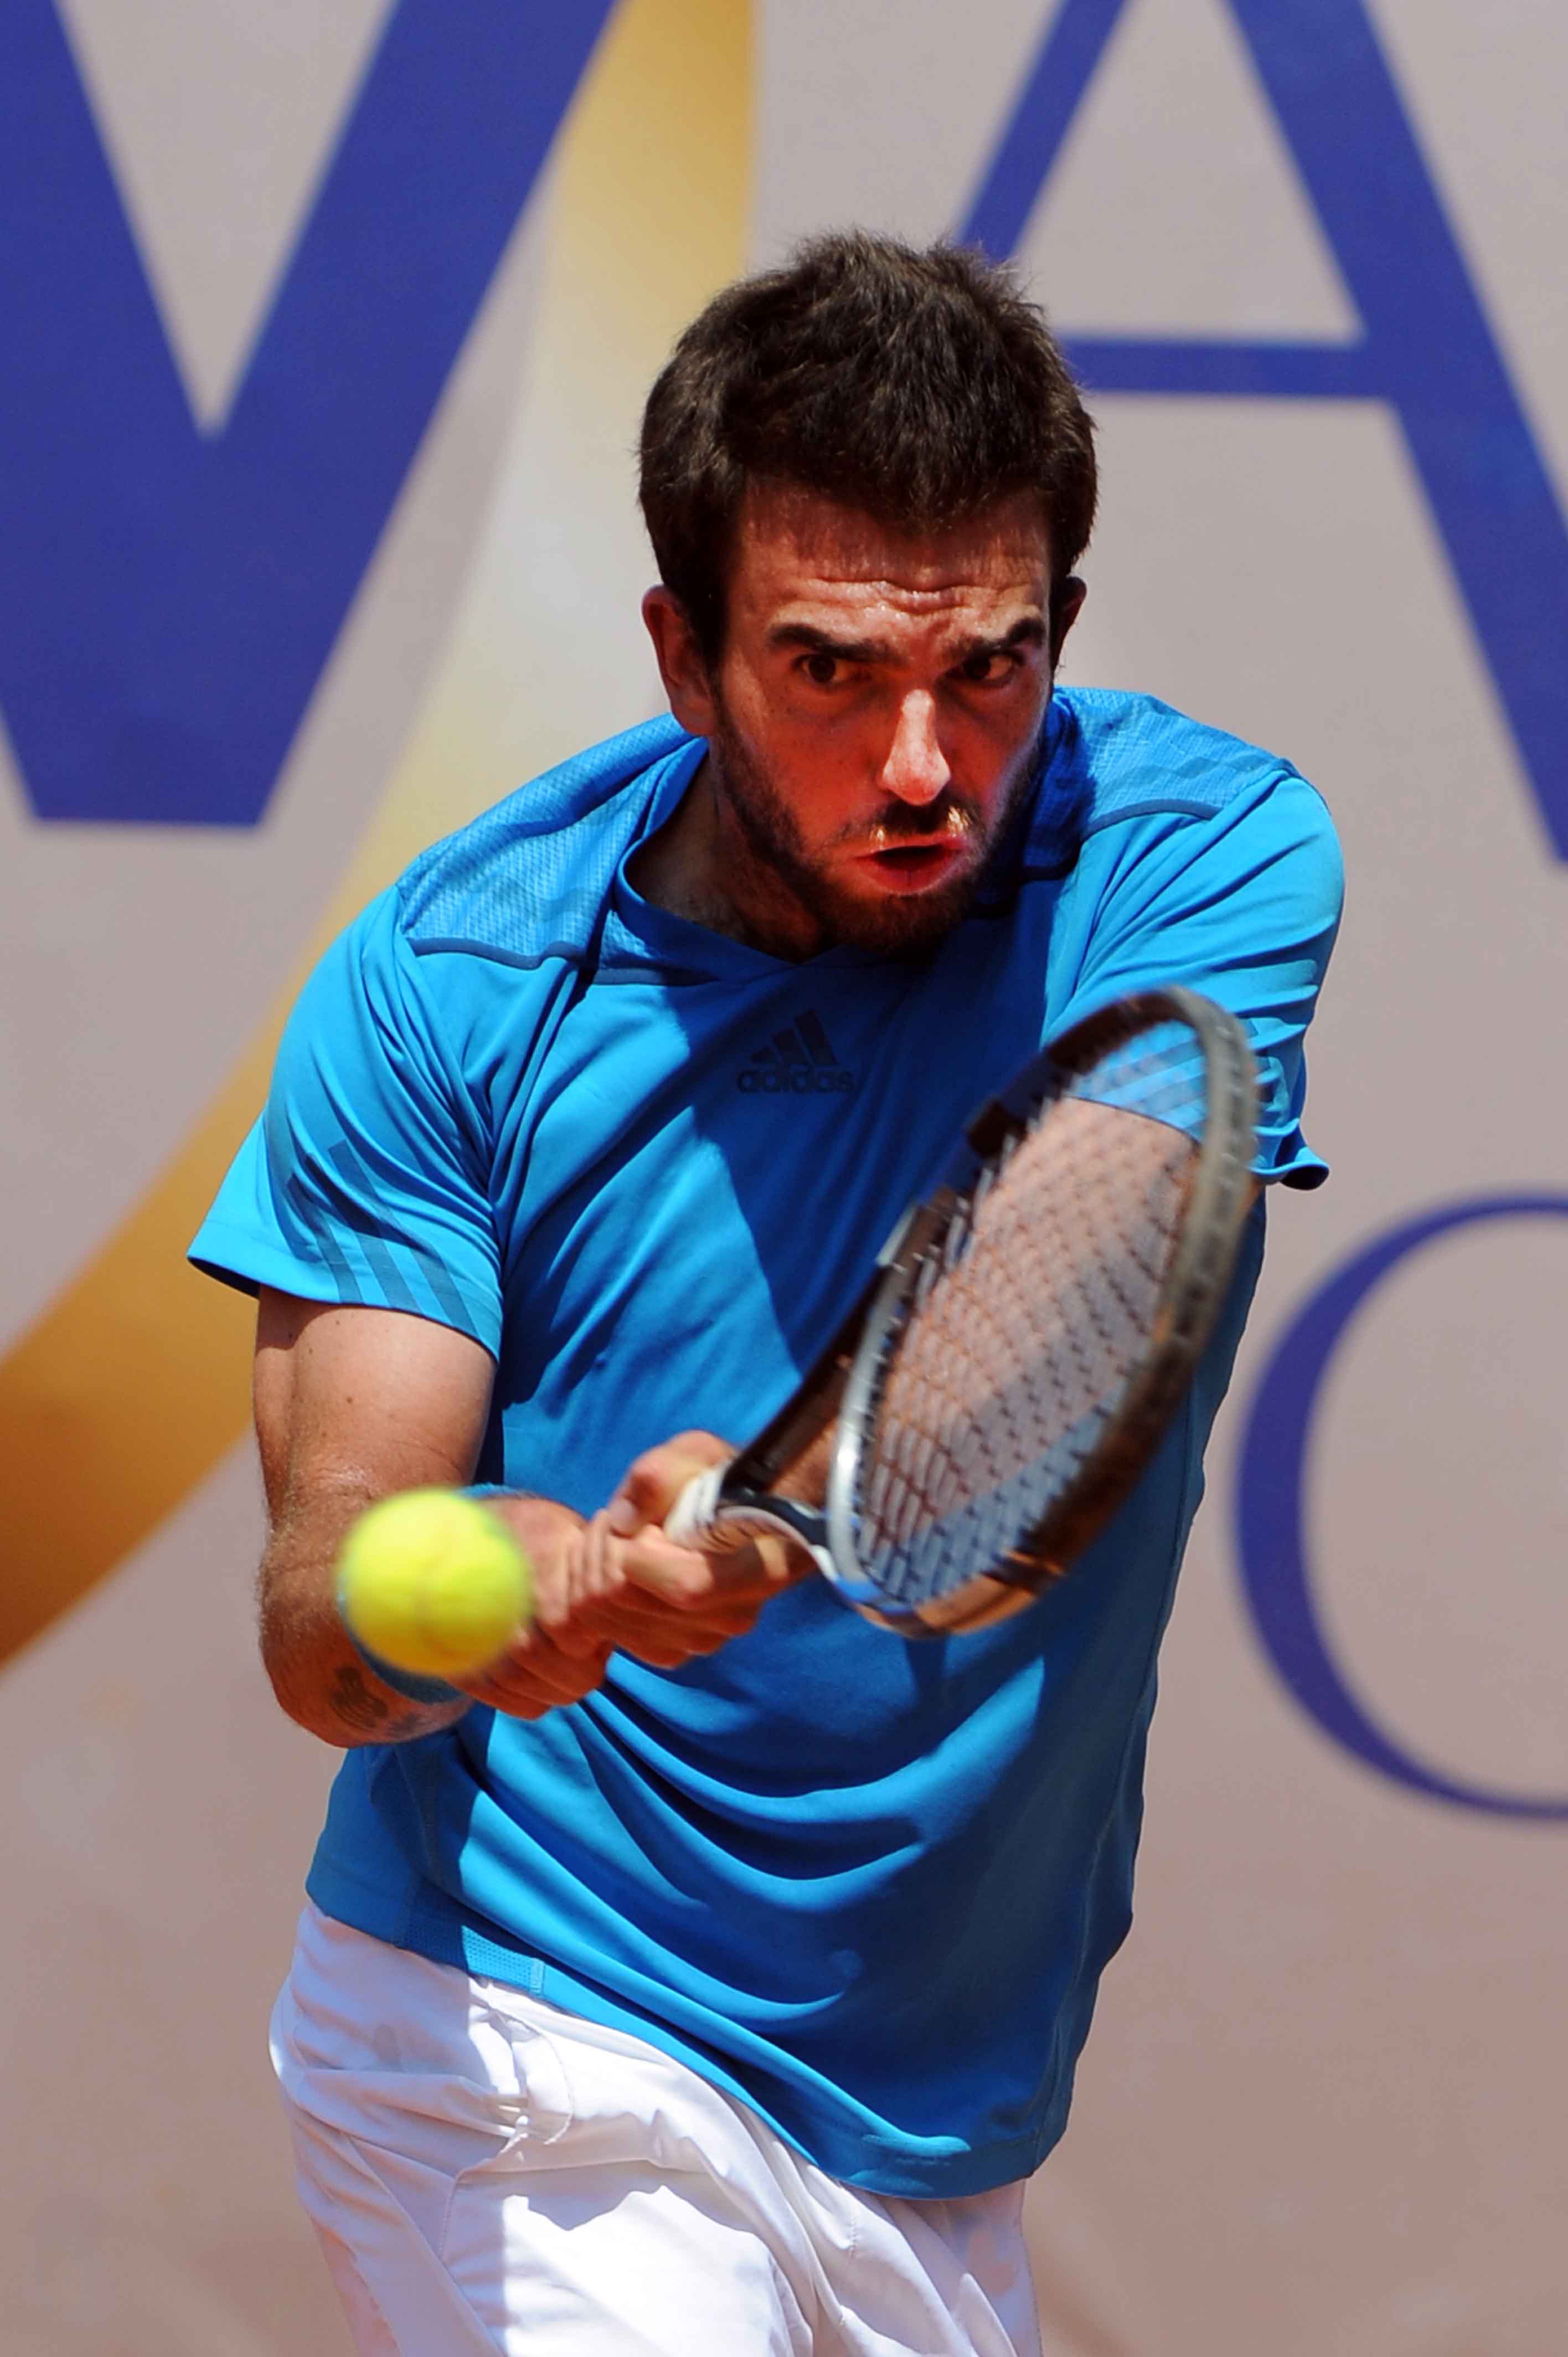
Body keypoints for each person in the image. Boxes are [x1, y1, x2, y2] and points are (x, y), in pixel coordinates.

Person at [191, 231, 1341, 2355]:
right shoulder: (451, 990)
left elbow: (1064, 1282)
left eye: (987, 668)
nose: (921, 764)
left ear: (1062, 631)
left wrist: (764, 1512)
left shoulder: (1201, 856)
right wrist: (488, 1592)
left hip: (930, 2133)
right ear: (682, 652)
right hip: (518, 2049)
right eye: (827, 670)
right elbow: (320, 1612)